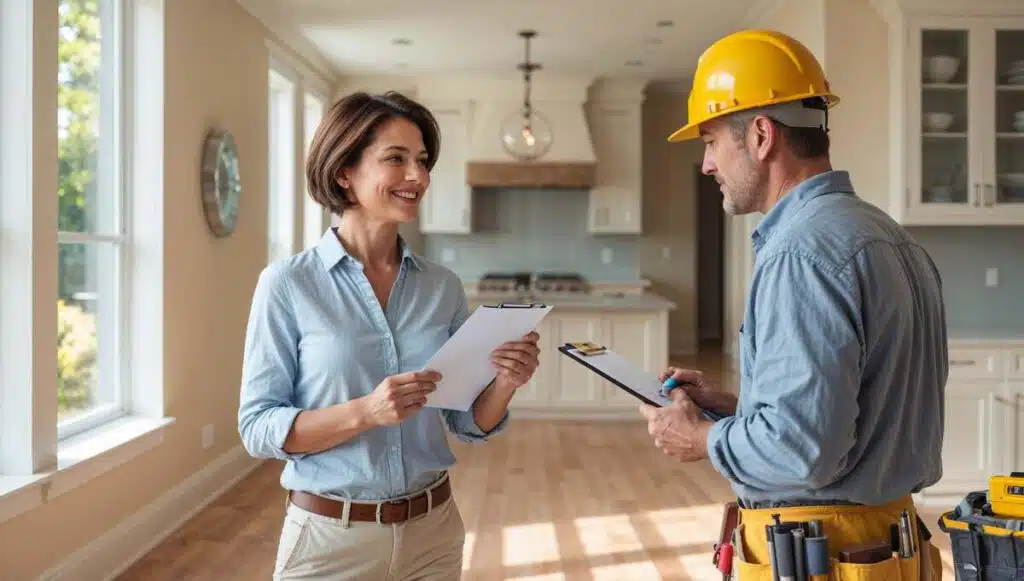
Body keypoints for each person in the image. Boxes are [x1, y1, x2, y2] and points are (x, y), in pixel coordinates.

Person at [639, 29, 948, 581]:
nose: (707, 164)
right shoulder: (890, 237)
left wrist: (699, 436)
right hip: (894, 540)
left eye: (710, 141)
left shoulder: (800, 255)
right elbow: (860, 415)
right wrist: (742, 405)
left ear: (760, 135)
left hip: (822, 548)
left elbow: (801, 453)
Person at [238, 90, 540, 581]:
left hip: (433, 534)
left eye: (421, 161)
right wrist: (366, 412)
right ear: (344, 172)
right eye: (395, 159)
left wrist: (506, 381)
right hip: (329, 540)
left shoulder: (440, 286)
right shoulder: (288, 284)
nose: (417, 176)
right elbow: (258, 427)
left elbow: (468, 423)